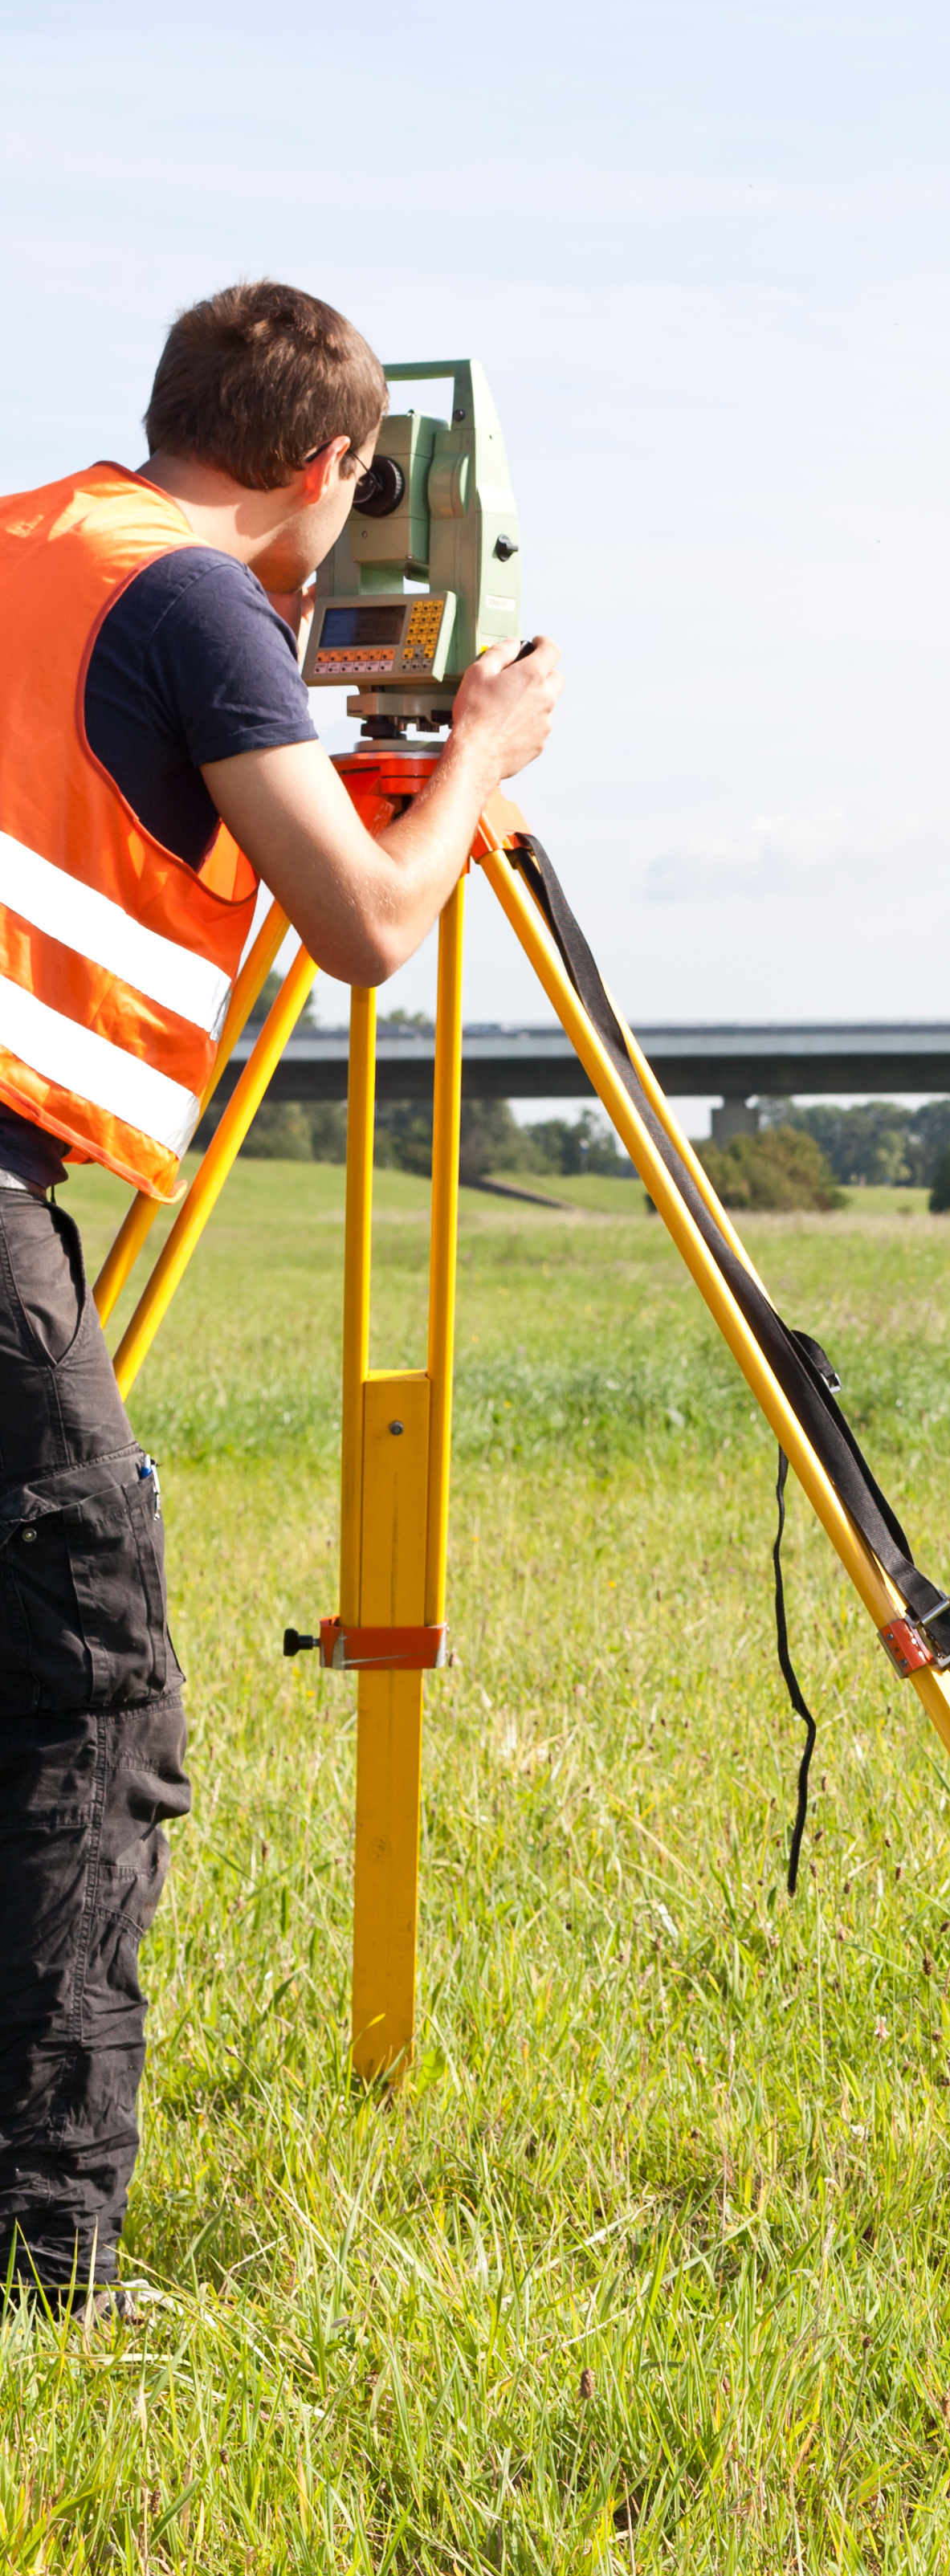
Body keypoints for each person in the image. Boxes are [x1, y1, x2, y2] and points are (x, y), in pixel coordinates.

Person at [0, 279, 559, 2316]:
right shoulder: (205, 605)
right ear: (331, 469)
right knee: (89, 1701)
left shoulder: (35, 546)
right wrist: (472, 750)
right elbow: (364, 928)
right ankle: (49, 2257)